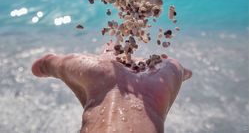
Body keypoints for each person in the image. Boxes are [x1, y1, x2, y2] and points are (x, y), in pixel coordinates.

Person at [32, 41, 192, 133]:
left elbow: (47, 64)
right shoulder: (169, 71)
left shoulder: (94, 71)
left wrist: (50, 64)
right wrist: (173, 72)